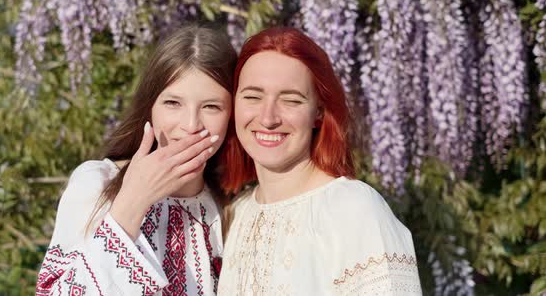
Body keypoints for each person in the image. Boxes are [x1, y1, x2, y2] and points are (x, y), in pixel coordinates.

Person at [217, 27, 422, 295]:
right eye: (253, 97)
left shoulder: (354, 209)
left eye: (291, 100)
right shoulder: (235, 213)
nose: (268, 118)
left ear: (319, 113)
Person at [36, 25, 237, 295]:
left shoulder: (232, 206)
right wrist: (132, 203)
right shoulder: (95, 184)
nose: (191, 125)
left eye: (211, 107)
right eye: (173, 103)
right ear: (150, 107)